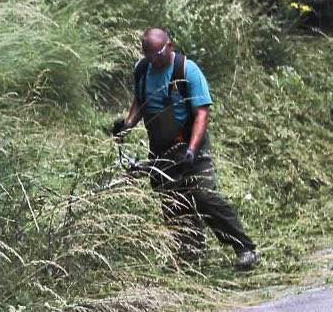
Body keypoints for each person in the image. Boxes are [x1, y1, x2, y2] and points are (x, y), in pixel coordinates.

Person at [111, 28, 260, 271]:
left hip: (192, 147)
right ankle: (190, 257)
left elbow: (202, 113)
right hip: (161, 150)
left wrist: (192, 149)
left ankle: (245, 249)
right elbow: (141, 101)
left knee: (205, 197)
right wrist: (127, 125)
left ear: (170, 46)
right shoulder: (143, 70)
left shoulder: (187, 71)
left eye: (157, 54)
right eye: (148, 56)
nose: (153, 60)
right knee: (174, 205)